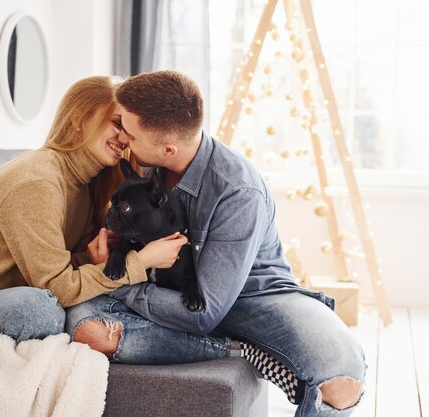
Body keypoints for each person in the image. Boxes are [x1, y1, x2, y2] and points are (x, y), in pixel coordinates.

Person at [66, 70, 366, 416]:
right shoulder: (147, 166)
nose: (123, 140)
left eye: (130, 134)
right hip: (170, 293)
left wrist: (115, 280)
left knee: (344, 379)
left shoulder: (238, 192)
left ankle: (240, 342)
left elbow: (203, 312)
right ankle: (235, 350)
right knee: (87, 330)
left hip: (253, 298)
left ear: (168, 148)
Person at [0, 76, 186, 342]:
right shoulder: (37, 181)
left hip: (27, 288)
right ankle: (215, 348)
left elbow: (58, 268)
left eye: (128, 129)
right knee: (42, 311)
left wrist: (91, 258)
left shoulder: (89, 182)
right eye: (117, 124)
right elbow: (58, 287)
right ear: (79, 119)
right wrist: (141, 261)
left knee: (91, 306)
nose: (125, 139)